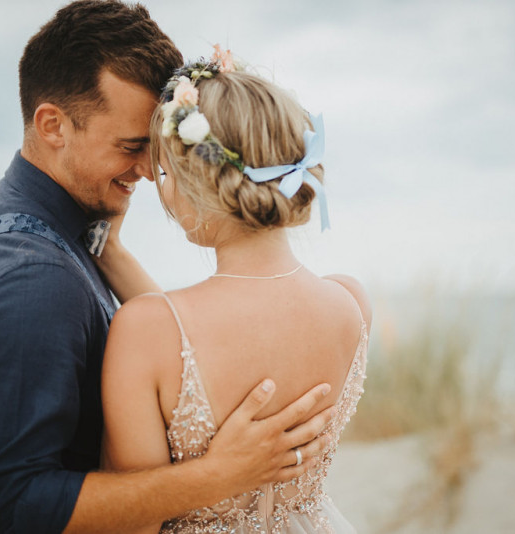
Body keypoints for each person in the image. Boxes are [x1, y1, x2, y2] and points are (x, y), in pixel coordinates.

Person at [0, 2, 335, 532]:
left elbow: (183, 344)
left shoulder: (29, 223)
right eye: (132, 147)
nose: (151, 173)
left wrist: (111, 250)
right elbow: (13, 505)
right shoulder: (30, 278)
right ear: (52, 125)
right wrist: (219, 475)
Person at [98, 52, 371, 532]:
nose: (161, 190)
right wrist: (113, 254)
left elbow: (129, 524)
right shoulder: (350, 303)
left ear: (196, 180)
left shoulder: (145, 331)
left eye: (163, 173)